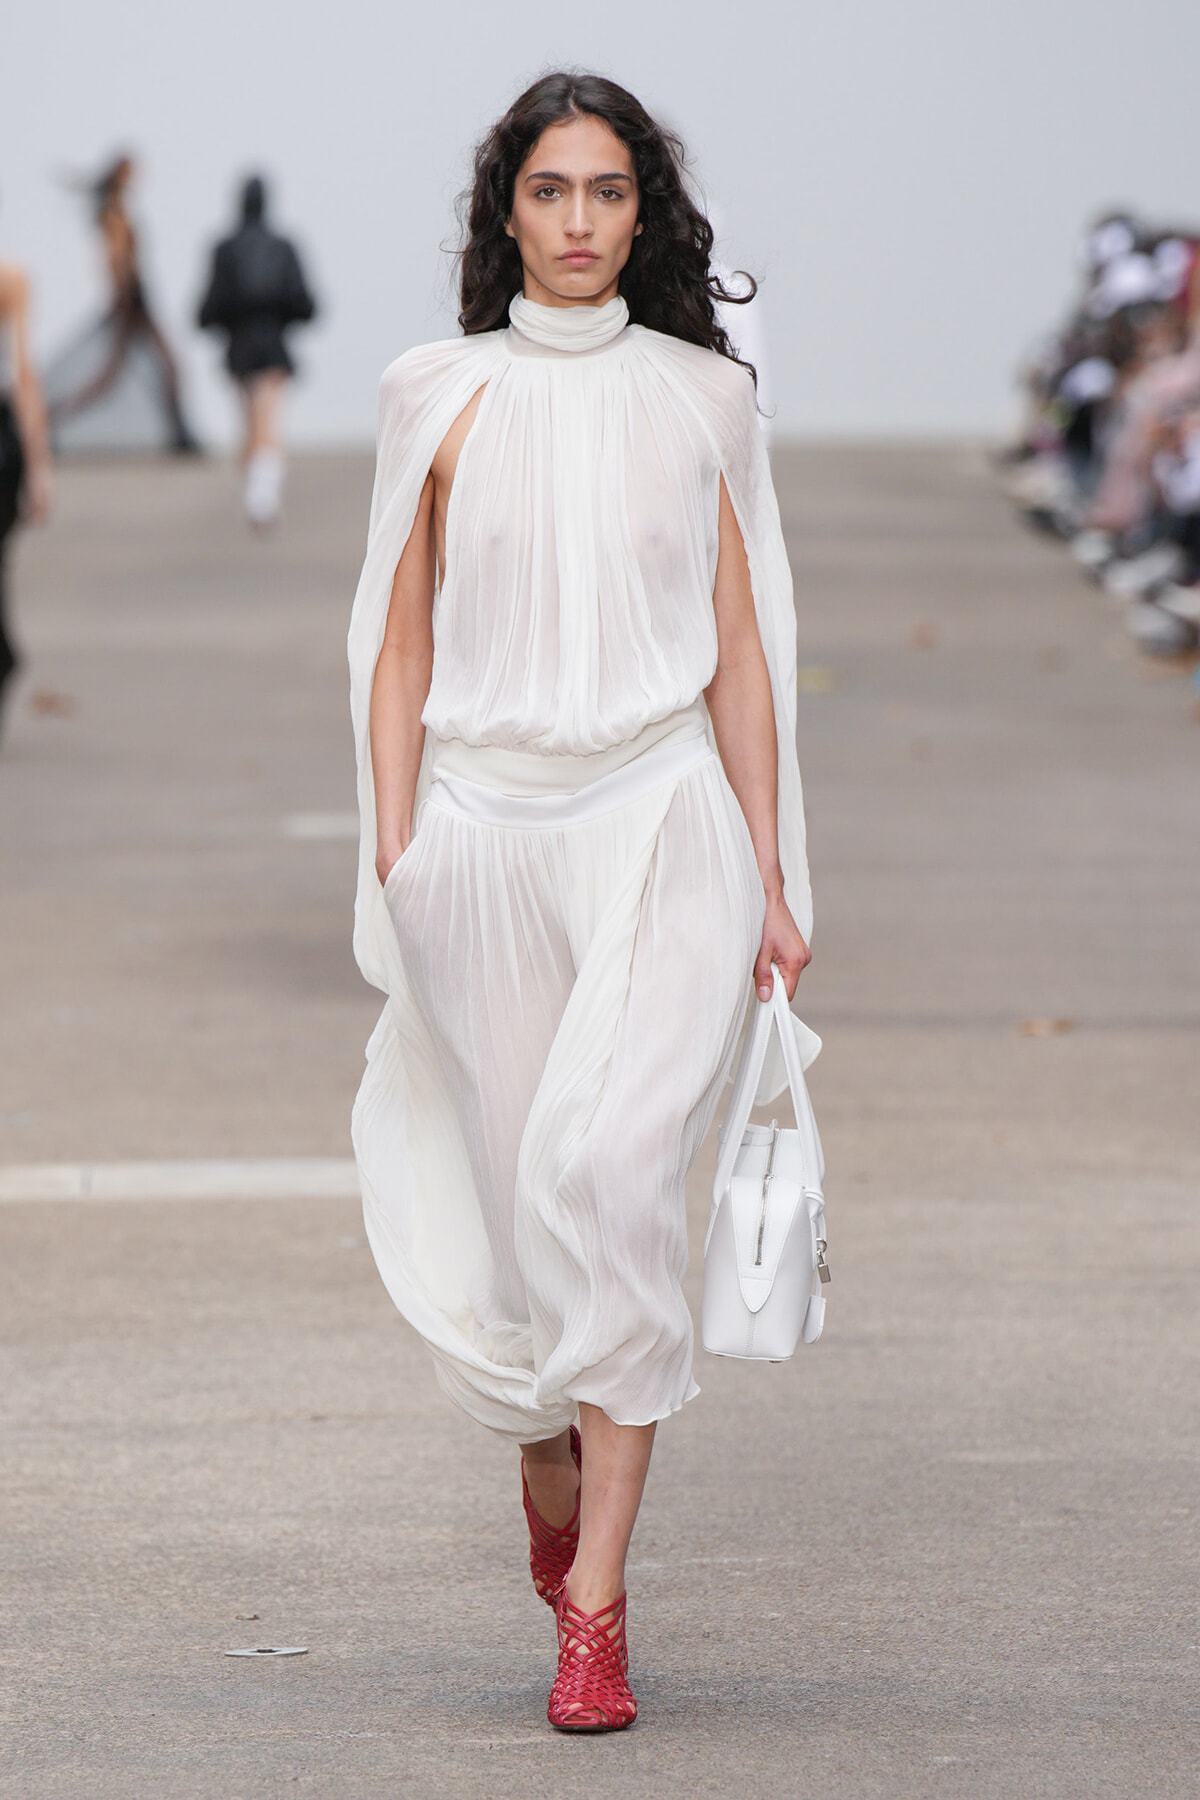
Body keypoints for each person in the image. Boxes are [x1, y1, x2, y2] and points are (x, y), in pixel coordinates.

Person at [348, 72, 813, 1734]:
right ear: (506, 214)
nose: (576, 223)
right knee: (521, 1234)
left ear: (645, 213)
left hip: (660, 819)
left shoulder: (706, 400)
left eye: (605, 191)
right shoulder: (432, 394)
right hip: (480, 838)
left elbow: (746, 651)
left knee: (613, 1175)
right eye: (548, 191)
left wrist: (772, 868)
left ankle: (596, 1611)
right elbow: (396, 641)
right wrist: (401, 854)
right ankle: (548, 1458)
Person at [45, 154, 199, 455]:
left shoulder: (117, 210)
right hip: (131, 301)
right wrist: (121, 296)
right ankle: (47, 420)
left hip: (137, 298)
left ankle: (181, 432)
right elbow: (114, 259)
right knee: (110, 378)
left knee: (163, 368)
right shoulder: (113, 213)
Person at [197, 175, 317, 526]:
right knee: (268, 416)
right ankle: (262, 494)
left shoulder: (224, 248)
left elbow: (211, 304)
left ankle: (258, 492)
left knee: (250, 418)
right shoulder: (283, 247)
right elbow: (303, 302)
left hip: (239, 346)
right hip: (273, 343)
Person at [0, 219, 52, 730]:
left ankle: (4, 658)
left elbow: (23, 375)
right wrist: (39, 469)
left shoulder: (11, 279)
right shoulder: (12, 277)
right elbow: (24, 375)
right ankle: (5, 657)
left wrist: (39, 470)